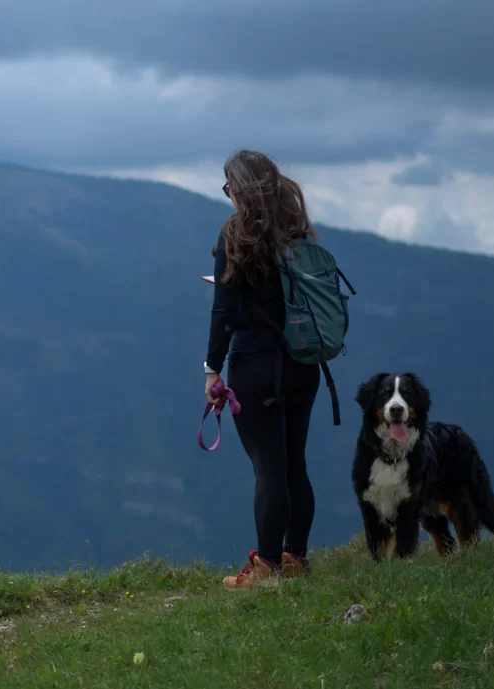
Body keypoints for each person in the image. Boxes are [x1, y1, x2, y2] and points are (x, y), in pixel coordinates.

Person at [204, 150, 320, 589]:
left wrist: (212, 371)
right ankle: (295, 557)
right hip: (304, 363)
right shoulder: (297, 230)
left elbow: (224, 313)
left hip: (256, 366)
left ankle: (266, 568)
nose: (228, 195)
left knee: (268, 469)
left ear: (240, 189)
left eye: (228, 187)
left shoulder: (235, 236)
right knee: (295, 466)